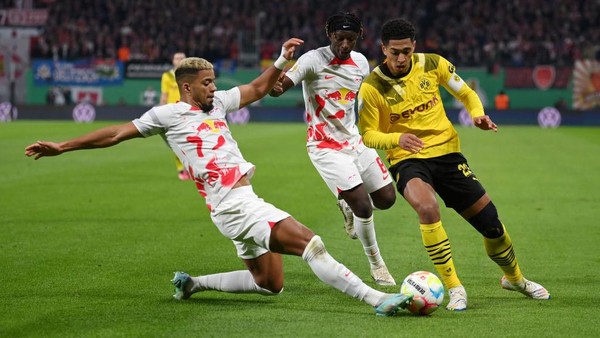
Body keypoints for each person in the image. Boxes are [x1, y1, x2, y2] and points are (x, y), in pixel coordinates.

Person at [24, 38, 413, 317]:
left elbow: (260, 88)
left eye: (214, 81)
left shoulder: (220, 103)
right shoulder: (167, 116)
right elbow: (113, 134)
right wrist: (63, 146)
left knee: (269, 283)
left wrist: (280, 60)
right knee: (311, 244)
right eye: (207, 83)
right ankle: (375, 299)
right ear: (187, 86)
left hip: (231, 206)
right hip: (233, 203)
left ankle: (192, 283)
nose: (214, 88)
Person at [357, 18, 550, 311]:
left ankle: (516, 279)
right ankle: (454, 287)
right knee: (427, 207)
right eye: (394, 51)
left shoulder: (433, 64)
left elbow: (466, 92)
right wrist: (397, 139)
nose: (400, 58)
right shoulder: (372, 88)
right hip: (409, 159)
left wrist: (477, 114)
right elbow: (368, 134)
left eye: (406, 51)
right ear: (383, 48)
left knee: (492, 226)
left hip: (447, 155)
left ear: (414, 47)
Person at [269, 12, 397, 286]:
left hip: (354, 141)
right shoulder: (312, 60)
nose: (345, 45)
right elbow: (277, 90)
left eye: (351, 39)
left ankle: (345, 202)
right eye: (340, 38)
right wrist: (282, 61)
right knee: (364, 205)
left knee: (387, 198)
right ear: (330, 36)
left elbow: (369, 96)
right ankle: (377, 265)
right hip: (324, 146)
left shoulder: (361, 63)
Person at [161, 51, 192, 180]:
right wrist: (162, 111)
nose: (179, 60)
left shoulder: (190, 75)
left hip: (187, 110)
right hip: (172, 112)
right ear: (173, 61)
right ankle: (181, 169)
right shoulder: (167, 76)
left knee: (190, 141)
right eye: (176, 58)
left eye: (181, 58)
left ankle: (190, 167)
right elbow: (164, 95)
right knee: (176, 141)